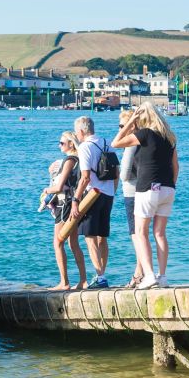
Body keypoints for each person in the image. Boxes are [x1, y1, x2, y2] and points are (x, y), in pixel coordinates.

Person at [112, 103, 178, 288]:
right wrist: (170, 185)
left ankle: (149, 275)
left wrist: (130, 122)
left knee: (141, 233)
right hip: (168, 188)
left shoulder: (145, 134)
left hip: (147, 188)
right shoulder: (169, 138)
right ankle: (162, 276)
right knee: (160, 234)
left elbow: (115, 143)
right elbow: (176, 167)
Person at [69, 115, 116, 288]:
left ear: (81, 131)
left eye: (77, 132)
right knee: (102, 236)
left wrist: (75, 200)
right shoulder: (107, 142)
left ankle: (100, 276)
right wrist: (113, 192)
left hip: (92, 195)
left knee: (90, 237)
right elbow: (115, 172)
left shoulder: (84, 147)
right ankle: (102, 274)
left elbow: (85, 178)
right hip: (108, 193)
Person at [42, 132, 87, 290]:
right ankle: (83, 280)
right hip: (74, 202)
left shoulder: (69, 160)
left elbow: (59, 186)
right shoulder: (79, 159)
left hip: (65, 204)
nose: (59, 145)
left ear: (71, 144)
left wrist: (47, 190)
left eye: (62, 143)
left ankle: (64, 282)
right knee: (73, 243)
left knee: (58, 242)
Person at [115, 110, 143, 288]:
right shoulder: (146, 139)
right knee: (145, 233)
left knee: (136, 234)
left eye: (120, 126)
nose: (119, 129)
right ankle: (140, 270)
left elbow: (125, 174)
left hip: (132, 190)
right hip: (148, 187)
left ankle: (139, 272)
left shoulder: (131, 143)